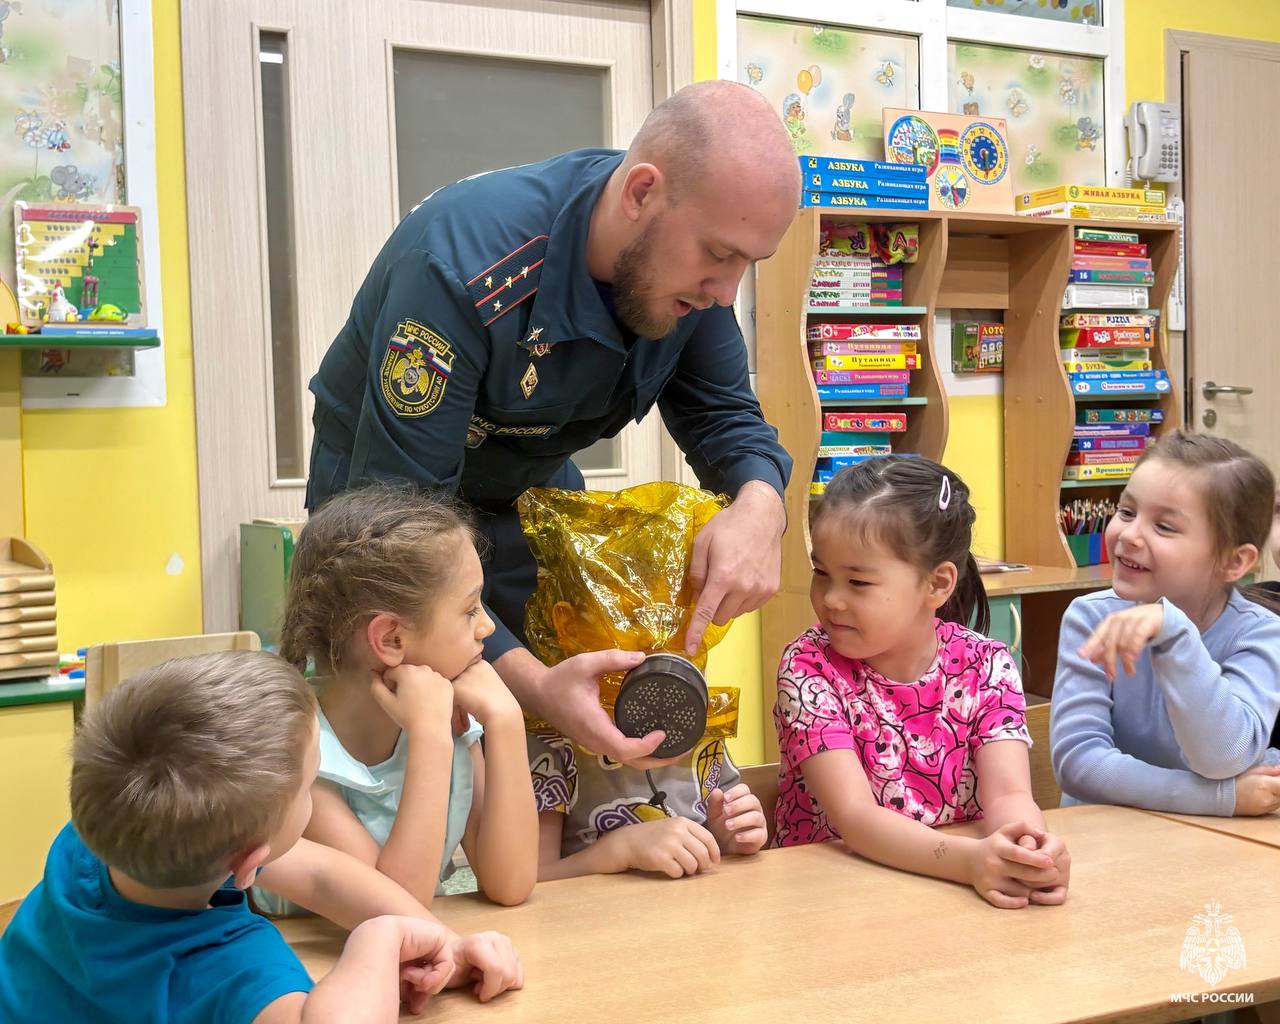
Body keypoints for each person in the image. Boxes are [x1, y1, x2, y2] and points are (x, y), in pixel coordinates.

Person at [305, 80, 801, 766]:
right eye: (719, 255)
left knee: (539, 748)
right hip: (386, 502)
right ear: (641, 192)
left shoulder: (694, 284)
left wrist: (761, 506)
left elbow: (726, 416)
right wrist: (533, 687)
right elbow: (404, 533)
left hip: (523, 488)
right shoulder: (460, 267)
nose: (727, 291)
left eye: (749, 262)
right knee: (407, 731)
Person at [0, 651, 523, 1024]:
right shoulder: (232, 966)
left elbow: (321, 876)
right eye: (311, 783)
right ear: (250, 864)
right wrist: (379, 942)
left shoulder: (95, 840)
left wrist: (443, 942)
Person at [774, 457, 1070, 910]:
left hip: (948, 897)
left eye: (857, 581)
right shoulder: (808, 667)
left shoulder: (986, 664)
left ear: (937, 584)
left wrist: (1027, 852)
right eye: (821, 573)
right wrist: (970, 862)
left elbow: (1009, 794)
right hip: (834, 898)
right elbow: (855, 816)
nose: (831, 599)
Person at [272, 485, 538, 908]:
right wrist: (429, 737)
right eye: (470, 609)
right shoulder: (298, 754)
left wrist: (506, 720)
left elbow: (511, 883)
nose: (487, 627)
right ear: (391, 639)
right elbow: (398, 908)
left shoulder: (453, 719)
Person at [1051, 430, 1280, 817]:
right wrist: (1221, 798)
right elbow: (1079, 764)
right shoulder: (1091, 617)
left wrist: (1173, 633)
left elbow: (1225, 756)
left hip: (1218, 843)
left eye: (1165, 527)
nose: (1129, 535)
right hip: (1107, 838)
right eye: (1127, 512)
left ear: (1234, 561)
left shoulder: (1261, 633)